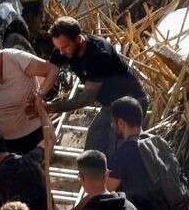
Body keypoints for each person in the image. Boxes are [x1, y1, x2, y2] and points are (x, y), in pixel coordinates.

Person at [45, 17, 149, 157]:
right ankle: (88, 176)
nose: (61, 52)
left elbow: (87, 99)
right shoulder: (63, 48)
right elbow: (50, 70)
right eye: (58, 48)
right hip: (111, 104)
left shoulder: (99, 54)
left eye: (64, 47)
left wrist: (51, 107)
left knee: (115, 151)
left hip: (131, 102)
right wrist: (39, 93)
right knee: (94, 143)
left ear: (78, 39)